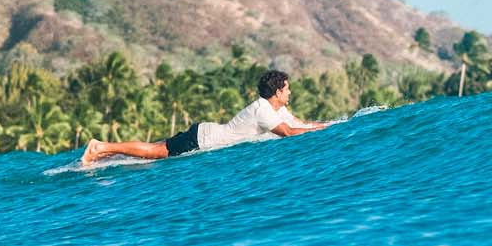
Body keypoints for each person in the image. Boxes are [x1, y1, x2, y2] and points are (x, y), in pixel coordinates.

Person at [80, 69, 328, 164]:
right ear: (277, 91)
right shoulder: (263, 110)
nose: (290, 92)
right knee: (154, 152)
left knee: (155, 149)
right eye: (287, 88)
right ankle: (100, 146)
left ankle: (106, 151)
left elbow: (297, 124)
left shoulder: (276, 109)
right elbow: (288, 133)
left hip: (205, 134)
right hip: (203, 139)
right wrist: (318, 131)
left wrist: (328, 126)